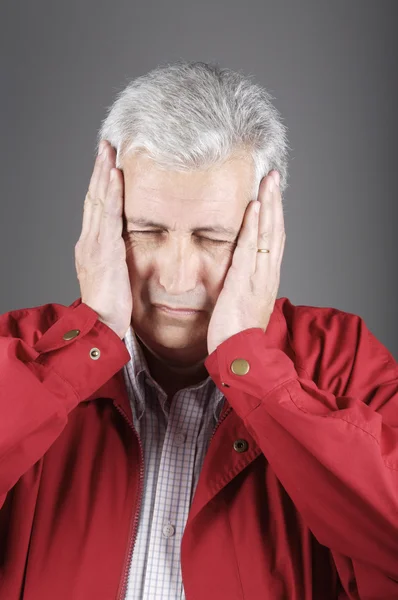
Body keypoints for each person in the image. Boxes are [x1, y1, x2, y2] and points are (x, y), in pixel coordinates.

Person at [0, 60, 397, 600]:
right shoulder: (23, 354)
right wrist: (79, 351)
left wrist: (254, 372)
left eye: (213, 238)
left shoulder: (341, 360)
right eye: (146, 231)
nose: (177, 277)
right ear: (103, 222)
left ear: (266, 231)